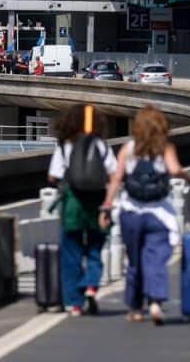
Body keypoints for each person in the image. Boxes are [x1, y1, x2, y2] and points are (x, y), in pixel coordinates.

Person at [101, 106, 190, 325]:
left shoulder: (128, 148)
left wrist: (106, 206)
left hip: (131, 212)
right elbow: (174, 171)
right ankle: (154, 301)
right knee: (155, 259)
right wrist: (188, 176)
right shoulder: (165, 148)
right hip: (159, 214)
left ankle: (135, 308)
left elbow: (116, 179)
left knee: (134, 261)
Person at [48, 104, 117, 317]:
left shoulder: (64, 146)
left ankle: (75, 303)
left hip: (72, 203)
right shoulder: (100, 145)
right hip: (96, 202)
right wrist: (107, 204)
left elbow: (53, 176)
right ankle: (90, 286)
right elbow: (114, 175)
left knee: (71, 252)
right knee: (95, 247)